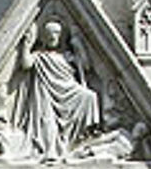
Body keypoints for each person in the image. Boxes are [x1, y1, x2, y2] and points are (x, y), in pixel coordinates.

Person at [14, 17, 101, 161]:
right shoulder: (40, 56)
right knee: (47, 119)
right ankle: (51, 149)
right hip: (46, 94)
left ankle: (82, 137)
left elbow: (86, 66)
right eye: (49, 33)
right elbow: (26, 64)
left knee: (89, 96)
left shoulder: (67, 56)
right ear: (43, 37)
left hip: (69, 90)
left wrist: (79, 46)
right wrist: (27, 45)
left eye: (56, 33)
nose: (53, 36)